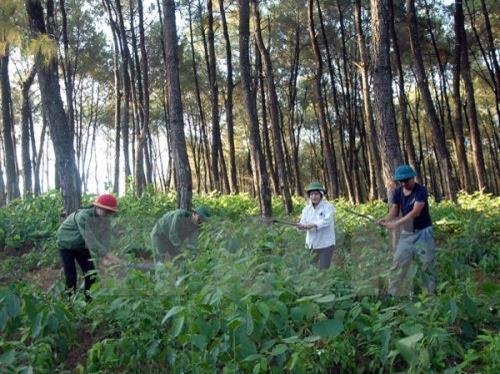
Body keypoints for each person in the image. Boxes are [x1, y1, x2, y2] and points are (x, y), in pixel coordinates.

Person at [378, 165, 436, 296]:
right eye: (401, 181)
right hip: (407, 234)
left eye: (406, 180)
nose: (404, 183)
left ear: (412, 178)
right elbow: (394, 210)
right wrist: (386, 219)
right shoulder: (397, 192)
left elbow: (415, 212)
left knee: (427, 264)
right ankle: (392, 294)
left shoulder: (420, 191)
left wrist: (396, 224)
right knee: (397, 264)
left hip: (424, 232)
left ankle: (429, 295)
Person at [56, 194, 119, 297]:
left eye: (110, 212)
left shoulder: (105, 219)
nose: (107, 214)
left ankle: (88, 300)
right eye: (105, 210)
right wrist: (106, 254)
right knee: (71, 276)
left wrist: (105, 256)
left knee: (91, 274)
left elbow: (105, 238)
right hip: (66, 244)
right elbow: (90, 240)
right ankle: (69, 304)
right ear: (97, 207)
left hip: (81, 245)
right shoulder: (83, 216)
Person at [298, 181, 336, 269]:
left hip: (326, 243)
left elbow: (327, 221)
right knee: (311, 270)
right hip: (311, 244)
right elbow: (302, 223)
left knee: (324, 269)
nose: (314, 197)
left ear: (321, 195)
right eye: (311, 194)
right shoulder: (306, 209)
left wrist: (313, 225)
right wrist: (300, 227)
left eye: (316, 194)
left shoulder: (328, 207)